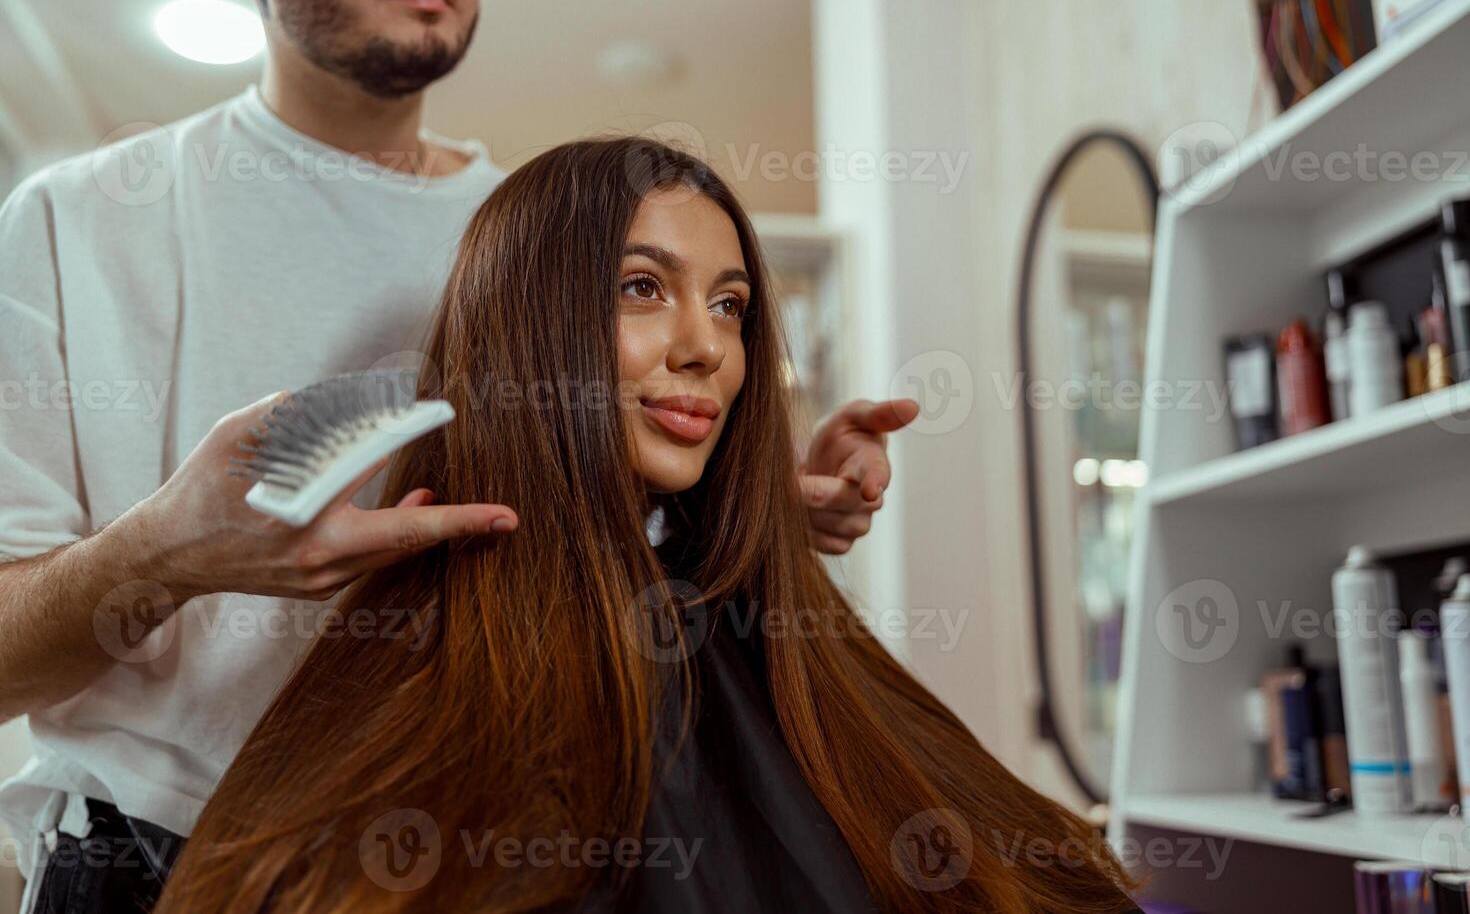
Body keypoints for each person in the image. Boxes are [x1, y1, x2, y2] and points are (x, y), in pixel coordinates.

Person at [0, 0, 912, 910]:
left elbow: (598, 559)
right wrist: (163, 555)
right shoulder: (75, 222)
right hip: (145, 864)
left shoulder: (550, 247)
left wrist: (758, 508)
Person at [152, 137, 1140, 913]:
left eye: (731, 304)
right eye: (642, 287)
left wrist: (759, 518)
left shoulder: (755, 637)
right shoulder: (419, 649)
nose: (705, 344)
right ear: (529, 321)